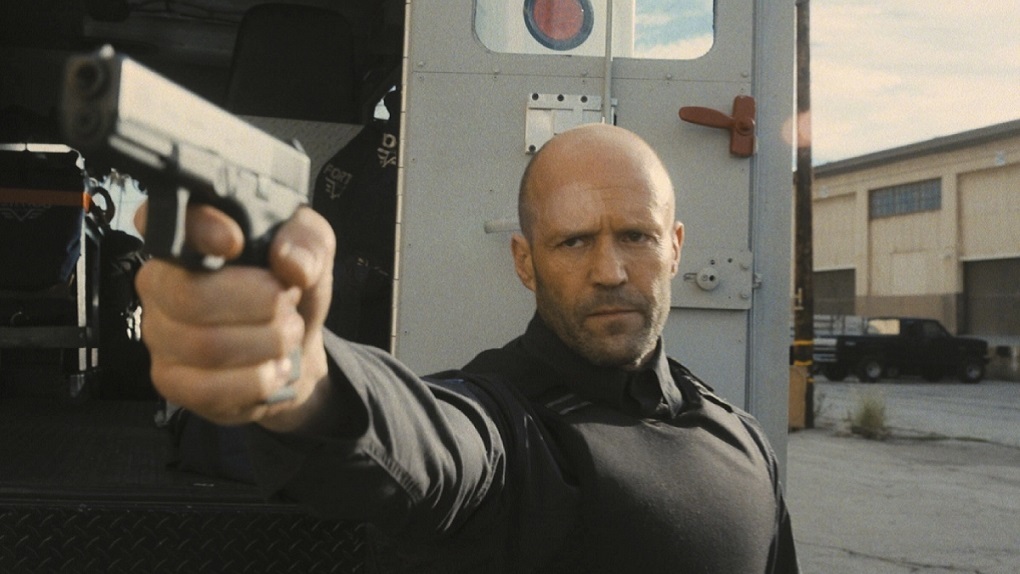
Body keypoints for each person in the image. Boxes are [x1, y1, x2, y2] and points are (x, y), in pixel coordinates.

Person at [135, 124, 800, 572]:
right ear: (525, 261)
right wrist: (302, 372)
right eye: (573, 242)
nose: (610, 271)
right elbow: (428, 440)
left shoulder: (742, 439)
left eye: (636, 236)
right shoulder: (504, 425)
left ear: (675, 248)